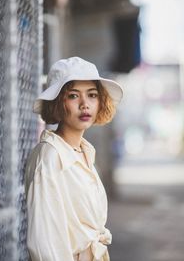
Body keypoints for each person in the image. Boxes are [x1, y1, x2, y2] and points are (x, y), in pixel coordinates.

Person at [25, 56, 123, 261]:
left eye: (92, 95)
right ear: (58, 103)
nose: (85, 104)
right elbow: (45, 244)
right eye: (73, 96)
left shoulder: (83, 152)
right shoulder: (50, 157)